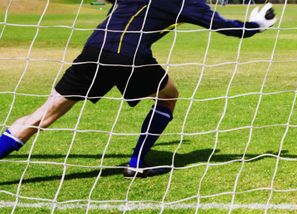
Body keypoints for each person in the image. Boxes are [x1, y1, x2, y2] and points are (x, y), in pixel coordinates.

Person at [0, 0, 276, 178]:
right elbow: (225, 27)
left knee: (45, 115)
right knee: (169, 97)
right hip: (130, 56)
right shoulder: (186, 2)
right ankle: (136, 162)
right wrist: (257, 25)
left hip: (94, 48)